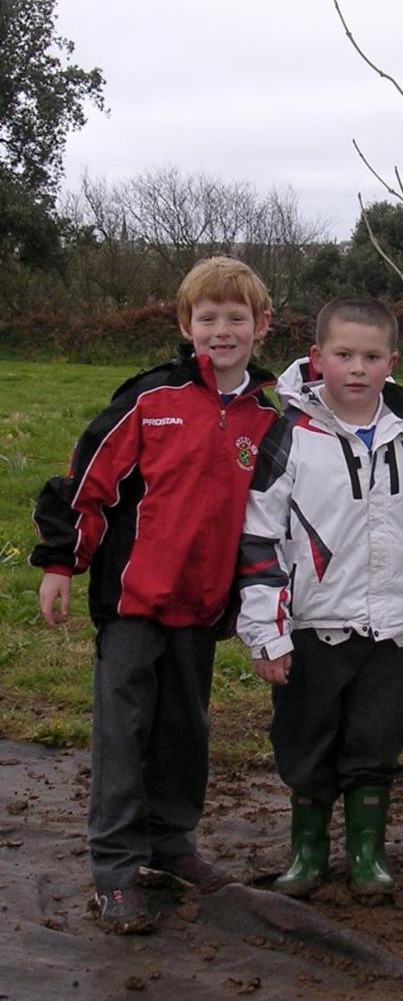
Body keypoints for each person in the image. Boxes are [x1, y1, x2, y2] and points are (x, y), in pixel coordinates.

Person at [31, 256, 279, 933]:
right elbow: (88, 483)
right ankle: (115, 868)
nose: (222, 330)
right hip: (133, 603)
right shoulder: (149, 398)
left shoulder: (267, 419)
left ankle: (171, 843)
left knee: (183, 730)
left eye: (236, 318)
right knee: (124, 732)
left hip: (202, 606)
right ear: (186, 324)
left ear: (260, 326)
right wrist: (61, 564)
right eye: (208, 317)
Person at [236, 297, 403, 897]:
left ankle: (366, 853)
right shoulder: (290, 434)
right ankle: (308, 852)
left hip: (396, 623)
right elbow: (259, 537)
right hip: (314, 624)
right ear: (317, 357)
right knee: (307, 737)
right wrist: (266, 632)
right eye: (343, 355)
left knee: (377, 737)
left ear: (391, 362)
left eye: (372, 357)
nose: (357, 368)